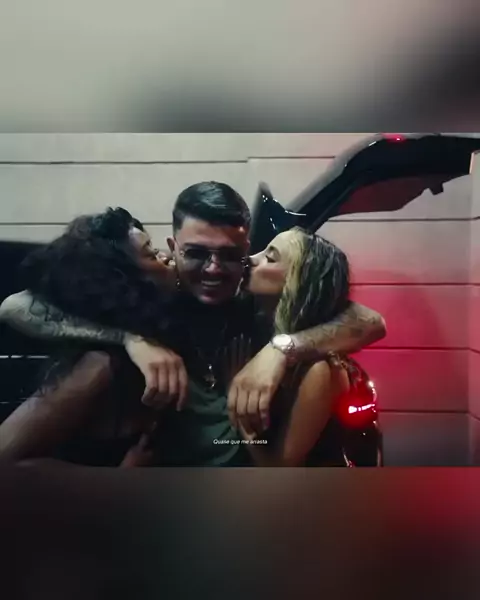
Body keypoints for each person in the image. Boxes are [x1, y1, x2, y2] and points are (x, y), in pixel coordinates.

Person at [0, 182, 386, 466]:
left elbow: (369, 321)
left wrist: (279, 350)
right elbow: (16, 307)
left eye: (229, 255)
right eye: (197, 254)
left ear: (245, 250)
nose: (214, 270)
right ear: (173, 249)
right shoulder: (147, 304)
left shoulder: (254, 303)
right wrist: (130, 339)